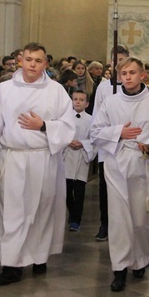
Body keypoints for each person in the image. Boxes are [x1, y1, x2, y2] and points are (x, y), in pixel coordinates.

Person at [0, 43, 75, 285]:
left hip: (43, 157)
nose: (32, 64)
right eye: (28, 59)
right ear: (20, 60)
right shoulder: (5, 88)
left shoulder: (56, 90)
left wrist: (43, 125)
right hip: (13, 157)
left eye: (38, 60)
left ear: (45, 64)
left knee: (42, 209)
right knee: (13, 211)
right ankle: (11, 265)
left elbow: (67, 125)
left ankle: (39, 256)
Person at [90, 57, 149, 292]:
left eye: (132, 73)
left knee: (142, 219)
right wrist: (120, 132)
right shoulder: (110, 103)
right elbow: (95, 132)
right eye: (124, 74)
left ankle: (140, 260)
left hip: (144, 165)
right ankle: (119, 268)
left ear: (143, 76)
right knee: (119, 220)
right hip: (117, 164)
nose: (128, 77)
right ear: (119, 77)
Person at [92, 45, 130, 241]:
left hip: (128, 146)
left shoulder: (133, 86)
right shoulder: (104, 87)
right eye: (115, 60)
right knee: (105, 186)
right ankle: (105, 223)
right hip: (107, 145)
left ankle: (125, 225)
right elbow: (96, 116)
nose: (118, 64)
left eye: (122, 59)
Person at [64, 90, 95, 232]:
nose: (78, 102)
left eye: (81, 100)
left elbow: (95, 139)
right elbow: (58, 135)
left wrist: (83, 143)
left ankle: (76, 219)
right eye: (75, 99)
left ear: (87, 103)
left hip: (82, 156)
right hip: (66, 156)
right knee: (66, 189)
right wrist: (67, 141)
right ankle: (72, 212)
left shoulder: (91, 120)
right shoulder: (65, 118)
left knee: (79, 190)